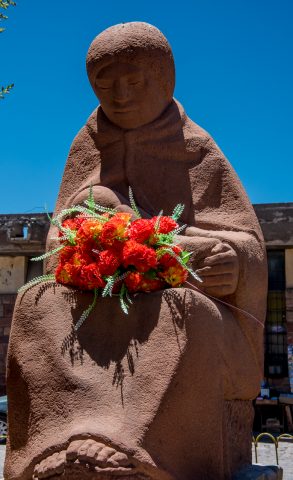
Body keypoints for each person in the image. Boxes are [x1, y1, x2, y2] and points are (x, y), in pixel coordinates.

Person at [5, 22, 267, 480]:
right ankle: (50, 447)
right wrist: (82, 248)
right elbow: (60, 235)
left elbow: (245, 243)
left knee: (180, 308)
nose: (120, 94)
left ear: (165, 80)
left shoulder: (198, 151)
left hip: (181, 300)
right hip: (97, 294)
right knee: (35, 302)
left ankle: (131, 447)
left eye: (134, 80)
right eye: (105, 83)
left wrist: (234, 262)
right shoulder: (88, 146)